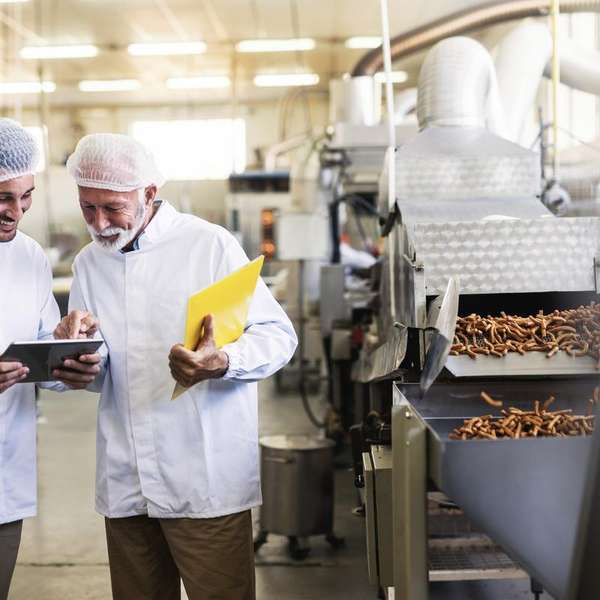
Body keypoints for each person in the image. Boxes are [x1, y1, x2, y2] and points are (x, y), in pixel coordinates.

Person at [54, 133, 297, 600]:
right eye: (88, 208)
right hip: (126, 479)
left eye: (112, 208)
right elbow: (100, 367)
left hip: (203, 480)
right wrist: (77, 361)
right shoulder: (89, 264)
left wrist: (222, 361)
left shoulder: (208, 246)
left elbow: (277, 336)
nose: (100, 223)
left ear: (148, 193)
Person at [0, 119, 101, 600]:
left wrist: (64, 352)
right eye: (1, 196)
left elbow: (38, 354)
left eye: (26, 196)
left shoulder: (29, 257)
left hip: (5, 478)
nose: (15, 212)